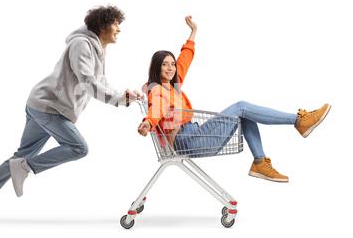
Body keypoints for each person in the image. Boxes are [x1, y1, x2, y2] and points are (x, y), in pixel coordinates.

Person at [0, 5, 141, 218]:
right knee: (78, 148)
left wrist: (122, 96)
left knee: (21, 156)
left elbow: (99, 82)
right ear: (102, 25)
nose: (119, 29)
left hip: (42, 104)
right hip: (49, 107)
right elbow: (88, 83)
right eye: (115, 24)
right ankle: (26, 166)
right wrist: (118, 99)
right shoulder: (81, 45)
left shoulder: (99, 49)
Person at [138, 15, 331, 183]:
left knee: (245, 114)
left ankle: (260, 163)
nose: (171, 68)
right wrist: (148, 123)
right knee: (241, 107)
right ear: (157, 68)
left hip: (195, 135)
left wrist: (193, 32)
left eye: (172, 64)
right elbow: (156, 109)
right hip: (188, 140)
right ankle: (299, 121)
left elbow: (184, 59)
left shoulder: (173, 86)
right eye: (165, 65)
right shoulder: (158, 91)